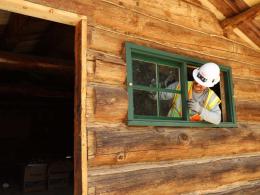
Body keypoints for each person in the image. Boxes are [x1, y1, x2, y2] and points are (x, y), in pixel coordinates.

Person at [156, 62, 221, 125]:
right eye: (197, 80)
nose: (198, 84)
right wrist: (153, 92)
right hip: (171, 126)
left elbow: (217, 119)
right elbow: (160, 94)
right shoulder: (180, 86)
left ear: (209, 85)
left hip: (192, 133)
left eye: (202, 84)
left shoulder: (211, 97)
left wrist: (200, 109)